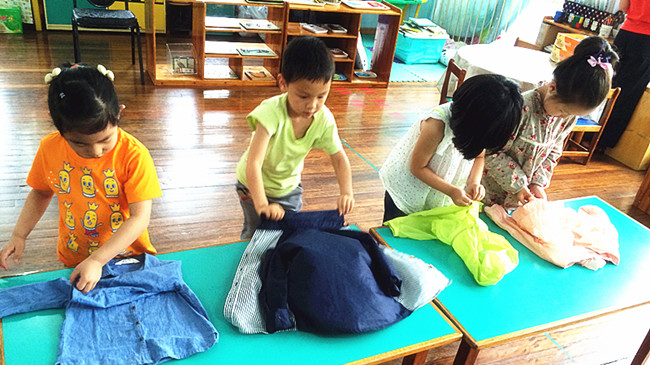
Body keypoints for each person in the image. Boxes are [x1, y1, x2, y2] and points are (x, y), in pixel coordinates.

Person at [0, 63, 162, 293]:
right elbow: (40, 193)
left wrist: (97, 260)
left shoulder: (134, 155)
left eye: (105, 140)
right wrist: (19, 234)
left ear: (118, 113)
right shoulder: (49, 148)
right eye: (79, 143)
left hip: (127, 257)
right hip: (75, 256)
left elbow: (139, 218)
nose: (96, 151)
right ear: (58, 128)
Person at [235, 36, 354, 239]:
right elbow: (254, 163)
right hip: (252, 185)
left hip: (288, 188)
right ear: (283, 83)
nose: (312, 105)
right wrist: (262, 204)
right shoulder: (271, 113)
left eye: (321, 96)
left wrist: (346, 192)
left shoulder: (323, 119)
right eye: (303, 96)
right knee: (256, 236)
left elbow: (339, 158)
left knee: (290, 234)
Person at [482, 36, 619, 208]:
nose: (564, 118)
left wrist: (537, 183)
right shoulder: (519, 109)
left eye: (573, 115)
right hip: (488, 193)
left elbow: (554, 151)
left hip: (519, 198)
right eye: (563, 112)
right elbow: (491, 153)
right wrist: (518, 186)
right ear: (552, 88)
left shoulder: (568, 117)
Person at [379, 74, 523, 222]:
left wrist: (474, 182)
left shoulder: (480, 130)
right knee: (395, 228)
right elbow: (418, 167)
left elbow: (479, 157)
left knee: (425, 227)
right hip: (408, 191)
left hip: (440, 193)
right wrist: (451, 191)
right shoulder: (436, 125)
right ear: (475, 122)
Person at [599, 0, 650, 148]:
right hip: (646, 41)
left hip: (625, 34)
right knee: (628, 92)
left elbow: (623, 7)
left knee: (607, 81)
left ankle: (583, 131)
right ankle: (602, 140)